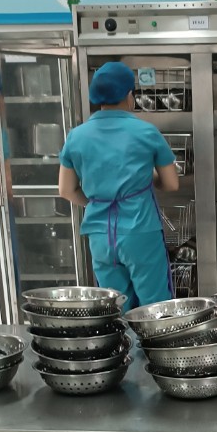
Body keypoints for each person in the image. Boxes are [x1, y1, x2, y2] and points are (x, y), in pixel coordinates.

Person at [58, 61, 180, 310]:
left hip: (100, 237)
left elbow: (66, 190)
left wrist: (98, 202)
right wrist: (146, 178)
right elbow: (171, 184)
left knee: (116, 308)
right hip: (140, 232)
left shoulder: (76, 136)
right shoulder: (146, 132)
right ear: (129, 95)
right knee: (155, 309)